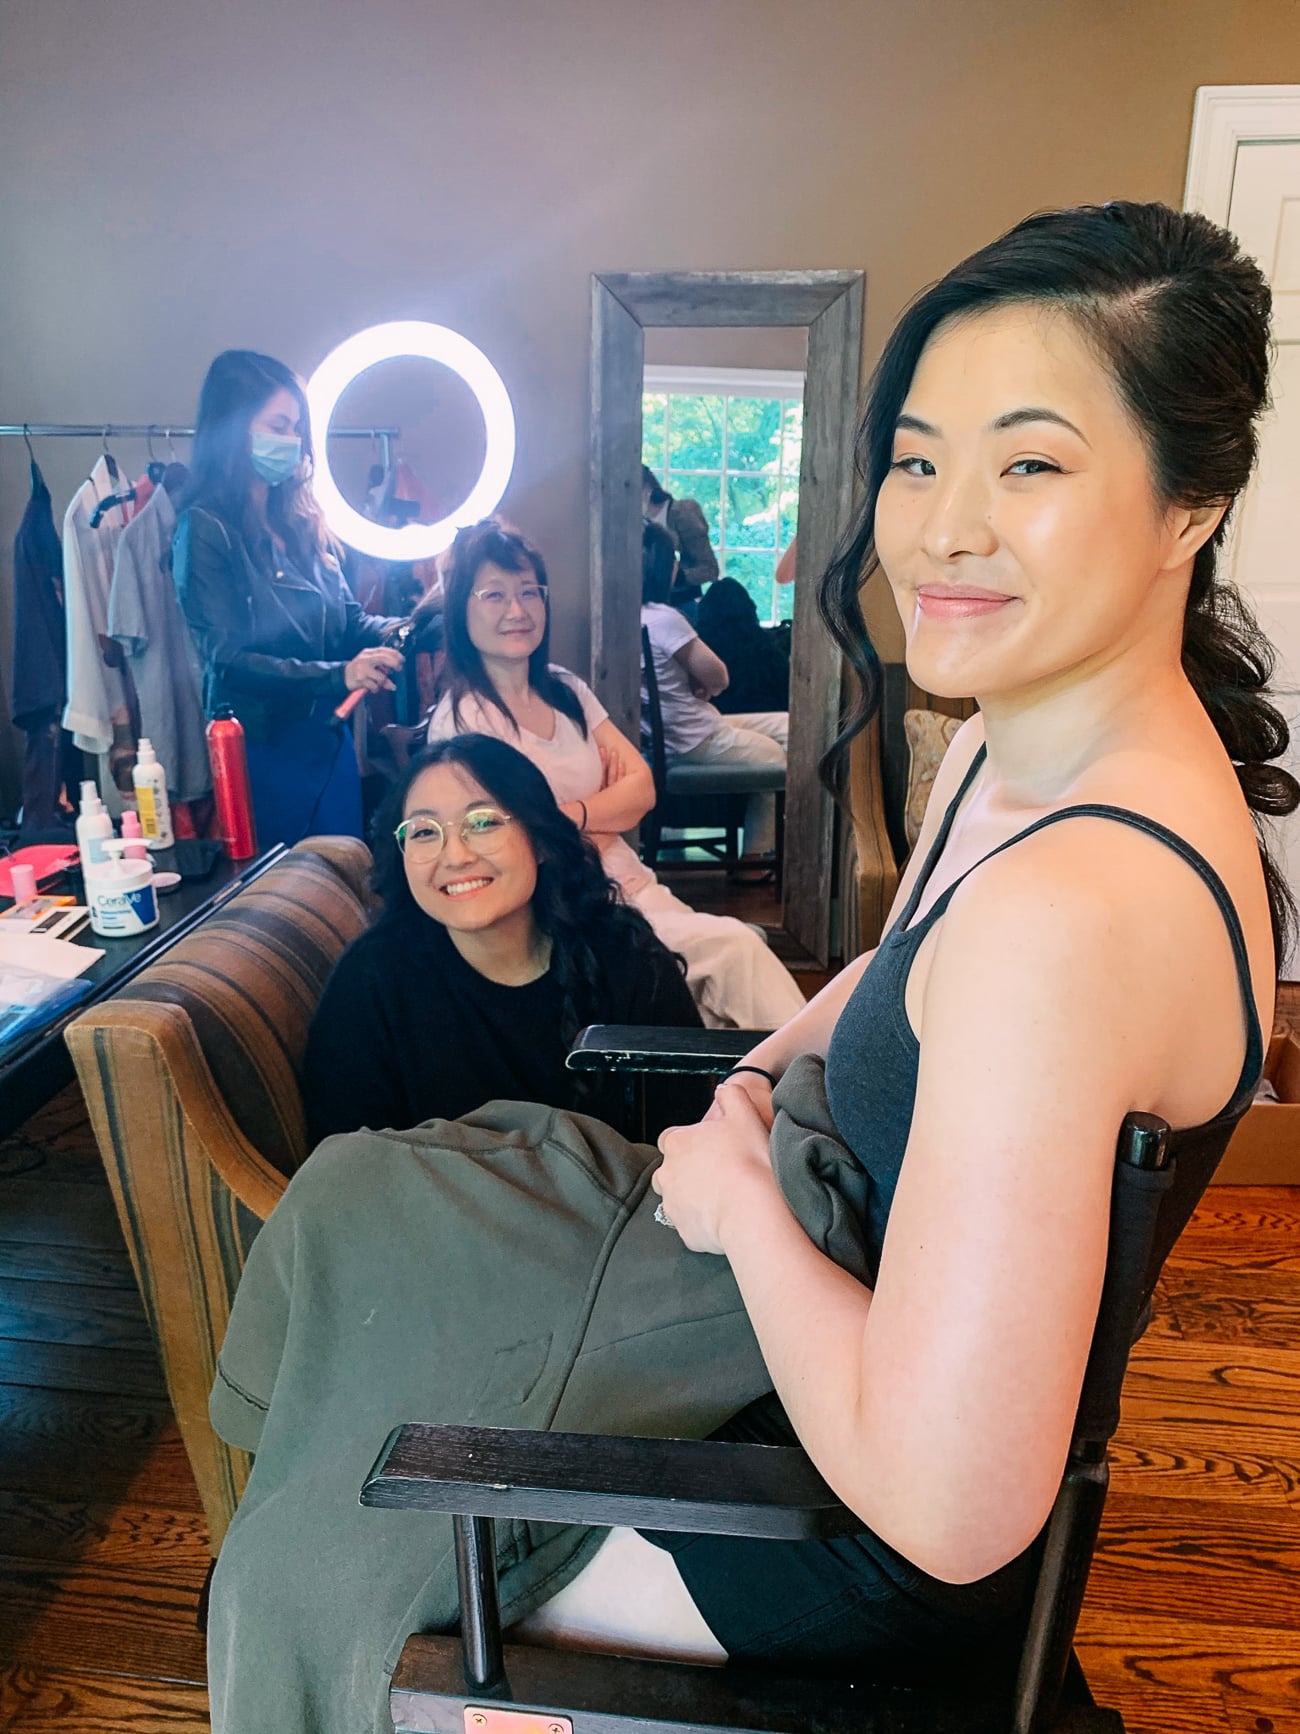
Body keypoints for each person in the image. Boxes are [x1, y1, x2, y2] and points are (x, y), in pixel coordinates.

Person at [207, 203, 1290, 1728]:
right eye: (918, 459)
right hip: (810, 1274)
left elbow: (948, 1500)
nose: (943, 525)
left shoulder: (1074, 915)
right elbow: (900, 966)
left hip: (831, 1518)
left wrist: (737, 1208)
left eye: (1031, 462)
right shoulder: (1016, 745)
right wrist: (766, 1070)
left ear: (1192, 501)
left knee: (314, 1563)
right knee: (365, 1208)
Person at [425, 517, 805, 1030]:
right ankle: (824, 1093)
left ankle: (766, 1097)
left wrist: (564, 817)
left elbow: (642, 790)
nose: (517, 611)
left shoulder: (565, 689)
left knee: (729, 984)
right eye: (494, 596)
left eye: (529, 593)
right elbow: (506, 839)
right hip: (570, 909)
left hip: (634, 884)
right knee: (736, 951)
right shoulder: (465, 721)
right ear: (461, 609)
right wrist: (597, 812)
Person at [302, 733, 709, 1145]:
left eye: (483, 822)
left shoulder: (625, 957)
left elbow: (691, 1132)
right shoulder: (372, 980)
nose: (456, 855)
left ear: (541, 840)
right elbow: (347, 1159)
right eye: (424, 832)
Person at [173, 349, 415, 848]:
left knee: (346, 876)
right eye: (278, 425)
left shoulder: (301, 522)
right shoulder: (204, 529)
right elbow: (227, 658)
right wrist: (339, 674)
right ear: (233, 429)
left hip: (327, 738)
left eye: (296, 427)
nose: (292, 441)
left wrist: (412, 625)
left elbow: (349, 622)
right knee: (290, 897)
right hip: (262, 748)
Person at [641, 521, 788, 870]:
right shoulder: (664, 619)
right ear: (665, 566)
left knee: (789, 726)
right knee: (779, 757)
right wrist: (708, 685)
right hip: (696, 739)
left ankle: (767, 848)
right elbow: (718, 674)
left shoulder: (629, 617)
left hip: (679, 733)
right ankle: (757, 854)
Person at [696, 575, 791, 715]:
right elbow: (785, 694)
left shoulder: (700, 650)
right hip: (767, 717)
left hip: (718, 716)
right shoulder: (767, 649)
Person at [643, 463, 719, 616]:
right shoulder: (624, 522)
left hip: (682, 605)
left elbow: (710, 569)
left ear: (647, 486)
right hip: (643, 607)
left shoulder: (681, 513)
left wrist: (676, 577)